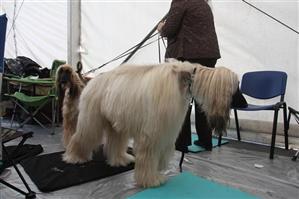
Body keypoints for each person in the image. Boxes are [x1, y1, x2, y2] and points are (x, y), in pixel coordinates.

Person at [157, 0, 220, 152]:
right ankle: (206, 140)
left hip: (188, 56)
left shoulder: (180, 1)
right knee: (202, 99)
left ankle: (181, 143)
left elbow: (169, 29)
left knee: (180, 98)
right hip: (209, 55)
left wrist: (161, 28)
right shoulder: (204, 3)